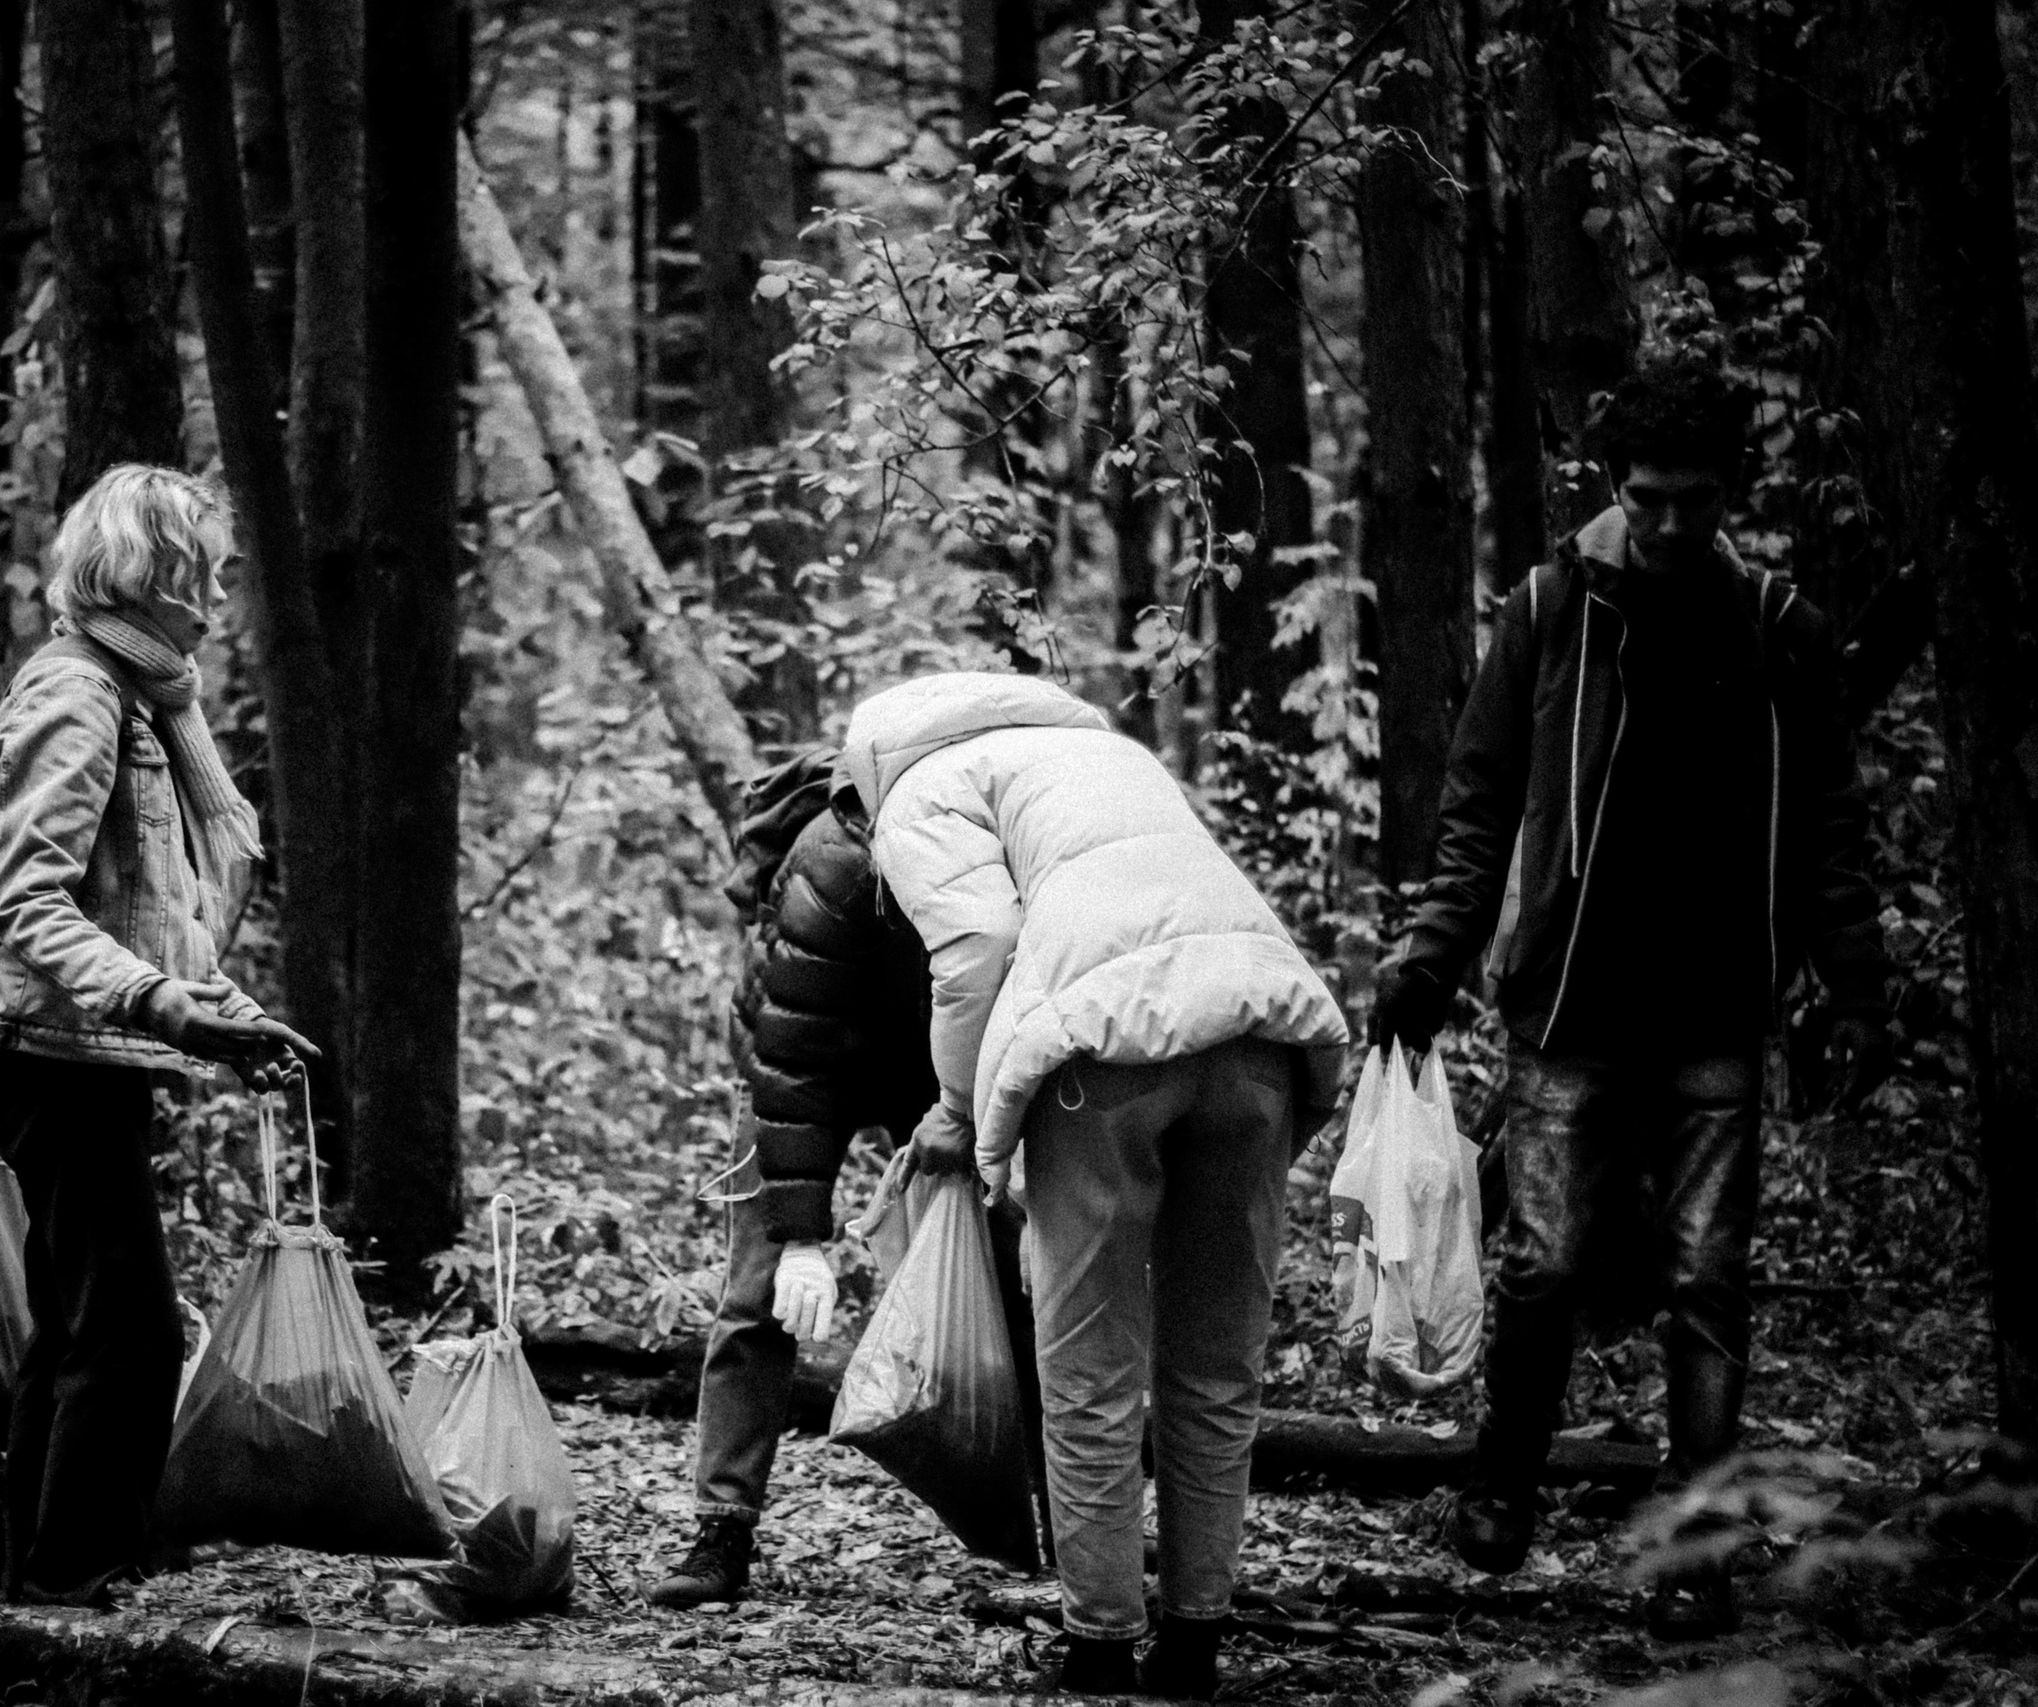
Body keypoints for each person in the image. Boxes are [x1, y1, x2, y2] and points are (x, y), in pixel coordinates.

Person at [1373, 357, 1892, 1640]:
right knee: (1543, 1267)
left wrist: (1862, 986)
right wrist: (1430, 958)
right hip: (1568, 1005)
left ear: (1730, 493)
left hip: (1717, 1008)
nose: (1668, 522)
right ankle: (1501, 1480)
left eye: (1694, 498)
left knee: (1707, 1280)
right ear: (1617, 485)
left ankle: (1693, 1549)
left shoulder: (1778, 630)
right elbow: (1480, 802)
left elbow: (1829, 829)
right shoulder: (1552, 608)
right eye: (1648, 496)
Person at [772, 671, 1348, 1699]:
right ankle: (1193, 1641)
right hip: (1262, 1033)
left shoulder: (910, 794)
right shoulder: (1107, 756)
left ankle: (1098, 1644)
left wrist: (955, 1109)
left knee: (1090, 1365)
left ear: (858, 785)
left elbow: (979, 947)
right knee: (1217, 1368)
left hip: (1106, 1056)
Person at [0, 464, 314, 1605]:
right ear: (150, 571)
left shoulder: (144, 692)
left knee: (75, 1329)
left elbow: (153, 908)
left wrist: (225, 1017)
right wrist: (157, 1002)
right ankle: (75, 1586)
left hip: (86, 1048)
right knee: (130, 1333)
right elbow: (28, 900)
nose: (216, 594)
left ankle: (41, 1577)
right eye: (200, 568)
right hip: (51, 1054)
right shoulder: (78, 694)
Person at [649, 751, 1049, 1608]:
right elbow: (789, 1061)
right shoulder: (833, 865)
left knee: (1011, 1270)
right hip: (800, 1062)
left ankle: (1074, 1519)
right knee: (759, 1293)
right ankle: (720, 1529)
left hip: (937, 1065)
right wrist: (801, 1233)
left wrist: (970, 1121)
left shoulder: (1005, 847)